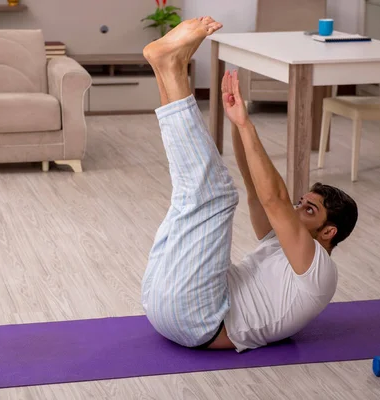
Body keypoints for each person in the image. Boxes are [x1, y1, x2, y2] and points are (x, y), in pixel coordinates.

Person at [140, 16, 359, 352]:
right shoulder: (280, 243)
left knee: (213, 196)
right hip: (165, 303)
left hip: (199, 320)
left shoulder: (318, 269)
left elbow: (275, 199)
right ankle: (169, 67)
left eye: (310, 209)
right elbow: (257, 190)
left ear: (328, 231)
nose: (298, 206)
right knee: (191, 193)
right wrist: (237, 120)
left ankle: (170, 67)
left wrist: (246, 126)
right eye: (302, 201)